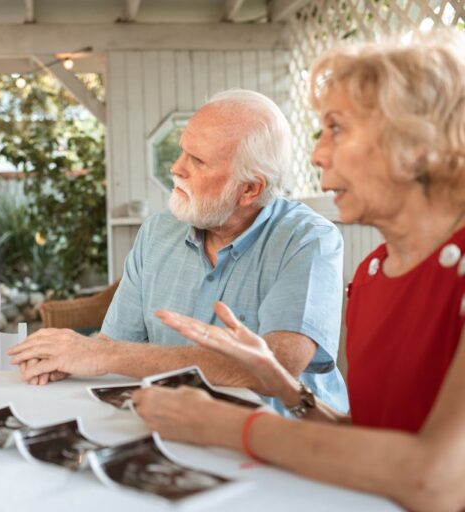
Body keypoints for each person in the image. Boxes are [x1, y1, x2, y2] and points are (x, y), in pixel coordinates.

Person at [131, 29, 465, 510]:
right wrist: (282, 386)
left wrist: (224, 426)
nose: (317, 155)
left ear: (418, 145)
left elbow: (439, 480)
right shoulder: (374, 274)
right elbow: (369, 443)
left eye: (336, 129)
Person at [9, 89, 348, 413]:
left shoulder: (308, 240)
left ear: (249, 189)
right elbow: (114, 343)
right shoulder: (157, 231)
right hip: (177, 424)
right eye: (182, 151)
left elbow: (277, 367)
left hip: (284, 438)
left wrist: (100, 355)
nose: (176, 168)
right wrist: (69, 358)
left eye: (197, 161)